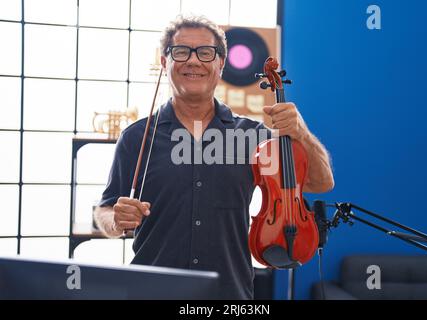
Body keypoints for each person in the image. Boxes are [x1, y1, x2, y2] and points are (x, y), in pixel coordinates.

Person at [94, 15, 334, 300]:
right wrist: (115, 220)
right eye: (181, 51)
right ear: (164, 62)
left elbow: (320, 183)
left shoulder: (253, 136)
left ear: (220, 64)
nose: (193, 61)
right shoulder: (136, 137)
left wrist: (300, 131)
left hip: (230, 294)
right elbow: (104, 212)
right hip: (152, 292)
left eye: (206, 53)